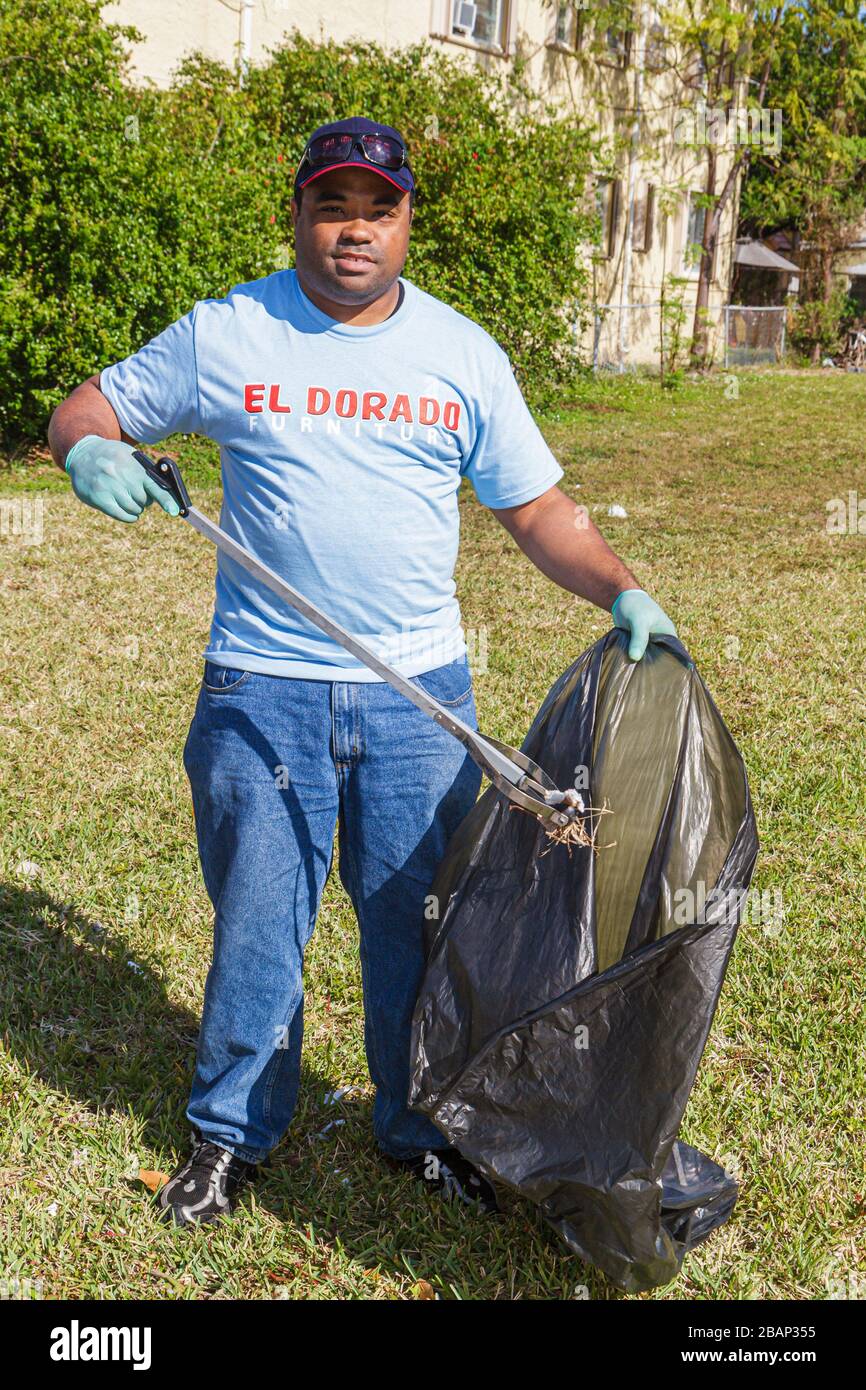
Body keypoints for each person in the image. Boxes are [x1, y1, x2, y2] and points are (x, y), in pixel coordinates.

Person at [48, 116, 676, 1229]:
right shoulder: (229, 330)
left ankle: (422, 1128)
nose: (353, 230)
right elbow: (87, 407)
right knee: (255, 920)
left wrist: (618, 587)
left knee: (423, 923)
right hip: (259, 687)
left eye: (375, 209)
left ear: (404, 222)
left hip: (415, 702)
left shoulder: (461, 353)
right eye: (331, 206)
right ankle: (229, 1136)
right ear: (296, 212)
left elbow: (533, 510)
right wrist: (87, 446)